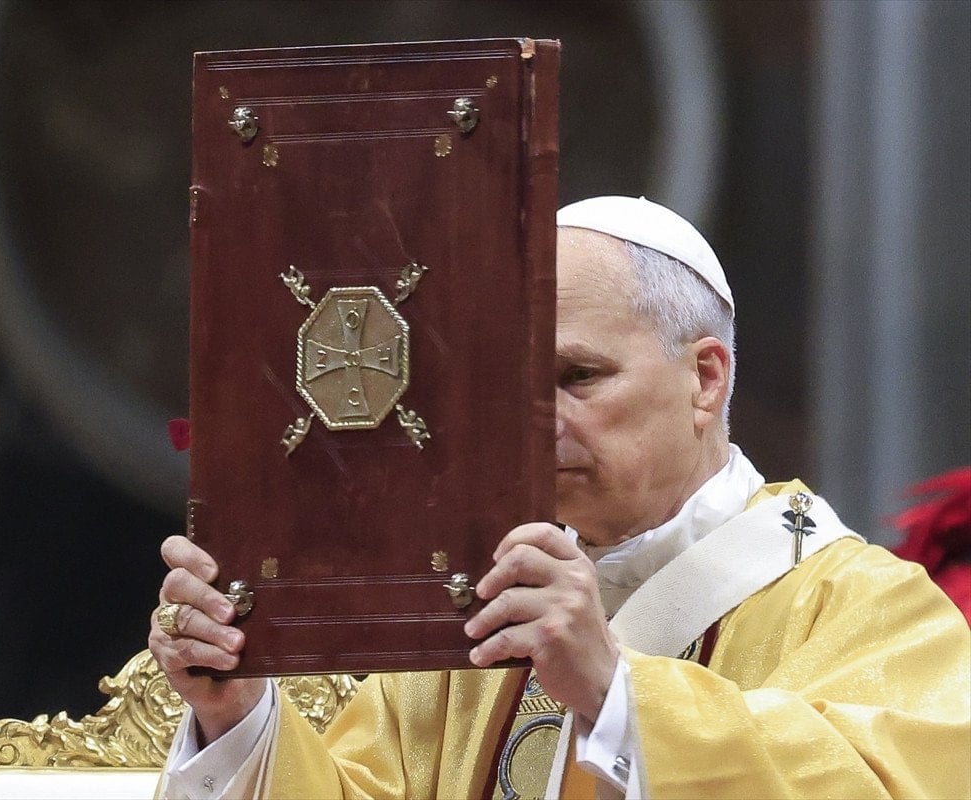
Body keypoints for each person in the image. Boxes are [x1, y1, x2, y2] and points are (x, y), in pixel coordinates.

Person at [149, 196, 971, 799]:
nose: (536, 424)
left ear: (704, 378)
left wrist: (616, 693)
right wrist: (238, 718)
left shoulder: (867, 608)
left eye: (578, 377)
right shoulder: (471, 616)